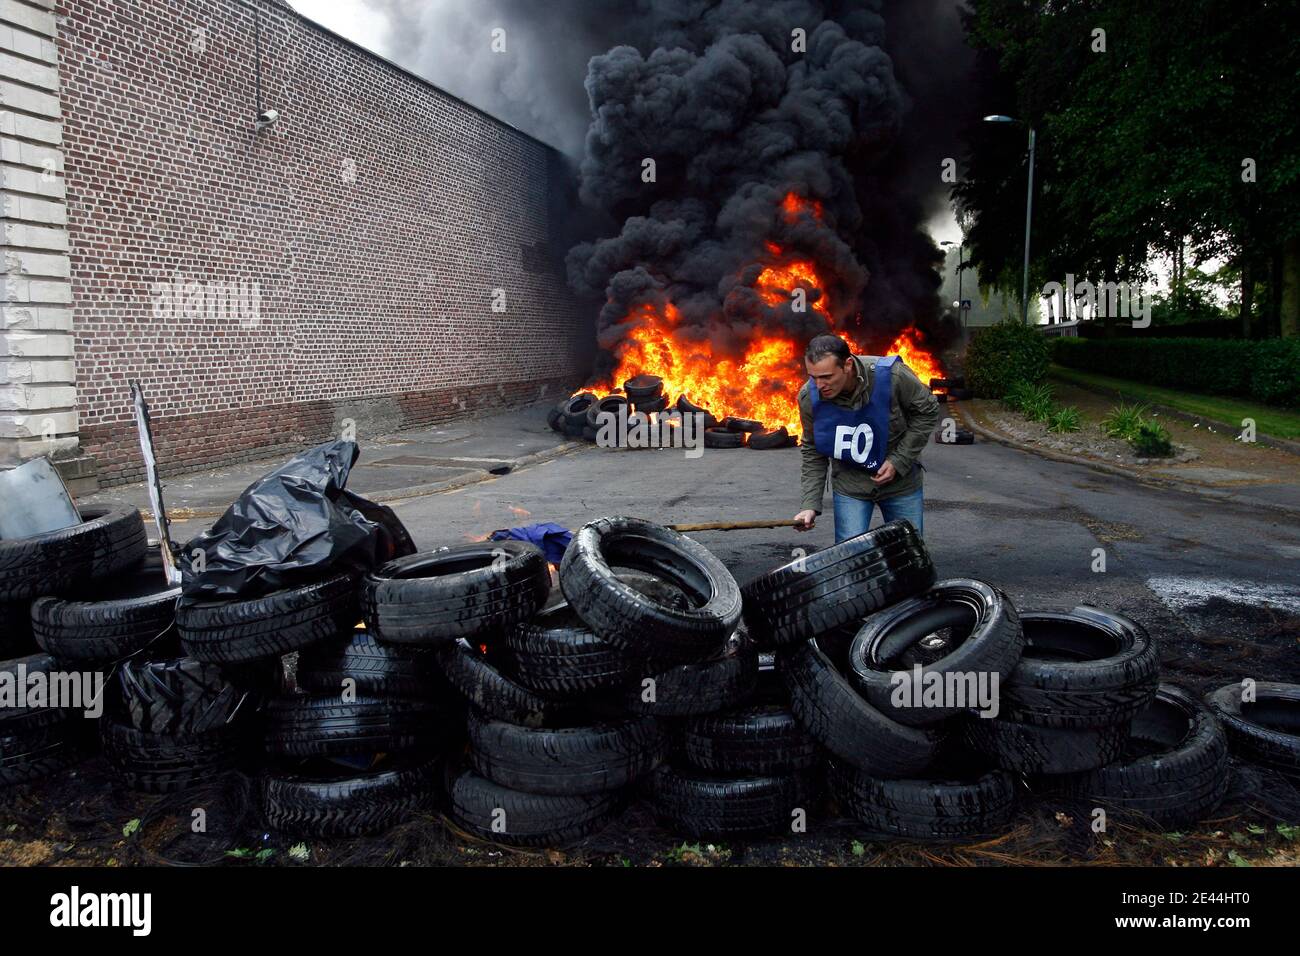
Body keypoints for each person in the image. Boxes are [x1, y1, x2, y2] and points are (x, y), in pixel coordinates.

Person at [793, 333, 940, 543]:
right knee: (850, 557)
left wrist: (899, 461)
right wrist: (809, 504)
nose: (819, 385)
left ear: (848, 365)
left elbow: (928, 412)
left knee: (909, 552)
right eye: (813, 377)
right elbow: (813, 450)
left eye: (826, 376)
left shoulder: (893, 377)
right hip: (850, 486)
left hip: (901, 484)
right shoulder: (809, 397)